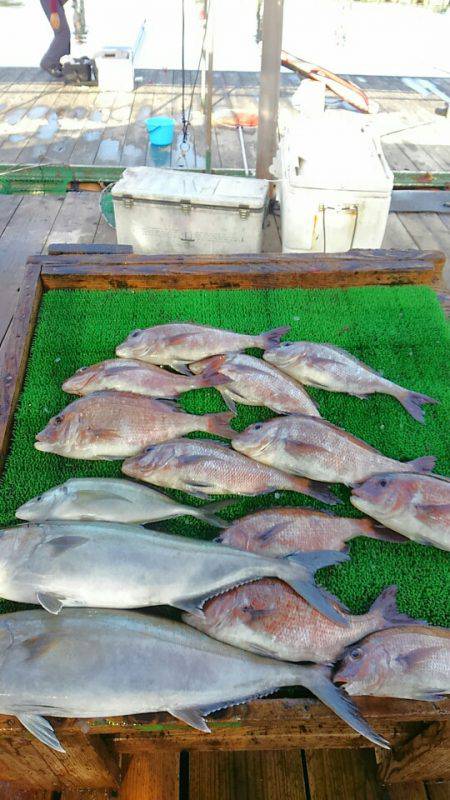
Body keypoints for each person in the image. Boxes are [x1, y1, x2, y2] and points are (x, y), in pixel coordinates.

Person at [39, 0, 71, 78]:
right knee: (63, 33)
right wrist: (54, 11)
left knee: (64, 33)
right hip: (51, 2)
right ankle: (48, 61)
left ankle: (60, 63)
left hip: (55, 3)